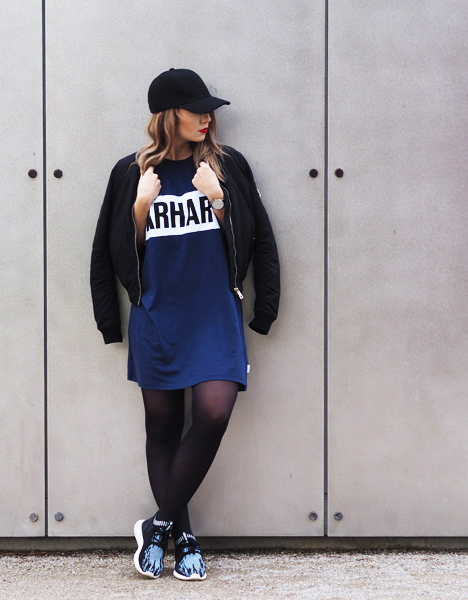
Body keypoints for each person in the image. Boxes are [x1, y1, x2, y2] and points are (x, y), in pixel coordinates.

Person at [90, 68, 280, 581]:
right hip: (158, 317)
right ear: (167, 115)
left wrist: (218, 199)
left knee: (213, 414)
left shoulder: (227, 165)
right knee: (163, 427)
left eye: (209, 110)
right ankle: (186, 537)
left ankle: (158, 525)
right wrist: (139, 209)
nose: (207, 118)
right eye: (196, 109)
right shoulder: (130, 173)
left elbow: (258, 237)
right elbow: (108, 254)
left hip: (214, 314)